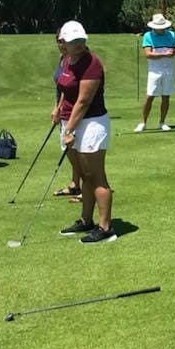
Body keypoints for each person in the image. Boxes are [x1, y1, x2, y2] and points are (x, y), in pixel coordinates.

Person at [55, 21, 115, 244]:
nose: (79, 44)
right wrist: (59, 110)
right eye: (74, 41)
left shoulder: (92, 63)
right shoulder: (67, 60)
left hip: (91, 124)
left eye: (81, 40)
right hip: (69, 122)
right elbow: (65, 89)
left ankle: (105, 227)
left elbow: (83, 101)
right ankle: (86, 220)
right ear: (63, 43)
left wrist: (69, 129)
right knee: (83, 174)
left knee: (95, 176)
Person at [134, 13, 175, 132]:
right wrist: (164, 54)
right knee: (150, 96)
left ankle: (162, 122)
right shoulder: (148, 36)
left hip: (169, 70)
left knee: (166, 96)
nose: (161, 29)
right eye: (159, 27)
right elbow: (148, 54)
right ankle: (143, 123)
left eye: (163, 27)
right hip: (154, 71)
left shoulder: (171, 35)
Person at [51, 28, 82, 202]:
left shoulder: (75, 59)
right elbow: (60, 86)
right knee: (69, 148)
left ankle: (87, 186)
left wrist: (59, 107)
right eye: (59, 41)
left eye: (64, 41)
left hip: (74, 110)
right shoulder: (63, 59)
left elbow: (69, 89)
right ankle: (75, 184)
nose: (61, 45)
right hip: (63, 110)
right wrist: (56, 107)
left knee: (75, 149)